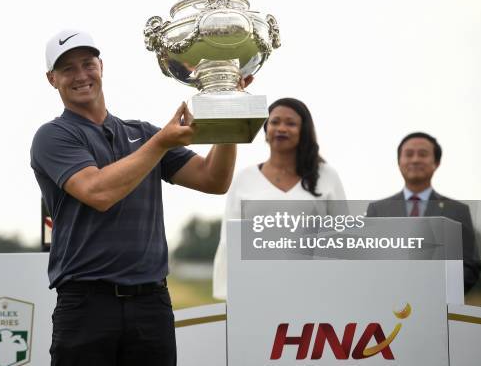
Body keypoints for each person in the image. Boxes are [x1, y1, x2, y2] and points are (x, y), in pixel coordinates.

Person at [30, 29, 250, 366]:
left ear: (101, 66)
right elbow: (98, 192)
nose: (80, 76)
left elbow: (213, 179)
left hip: (151, 303)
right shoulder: (53, 136)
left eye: (87, 64)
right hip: (87, 304)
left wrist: (227, 117)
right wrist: (161, 142)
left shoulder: (141, 134)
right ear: (51, 79)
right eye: (67, 69)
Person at [212, 98, 346, 300]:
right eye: (275, 122)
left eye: (290, 123)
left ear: (304, 131)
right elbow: (229, 241)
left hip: (315, 291)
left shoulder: (327, 176)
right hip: (257, 290)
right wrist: (230, 294)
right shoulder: (244, 178)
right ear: (265, 129)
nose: (281, 128)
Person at [366, 132, 481, 292]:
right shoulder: (378, 210)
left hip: (440, 307)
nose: (415, 159)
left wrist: (440, 291)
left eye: (423, 154)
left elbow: (470, 265)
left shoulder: (457, 211)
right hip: (387, 305)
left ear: (436, 162)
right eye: (409, 154)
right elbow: (366, 263)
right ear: (399, 161)